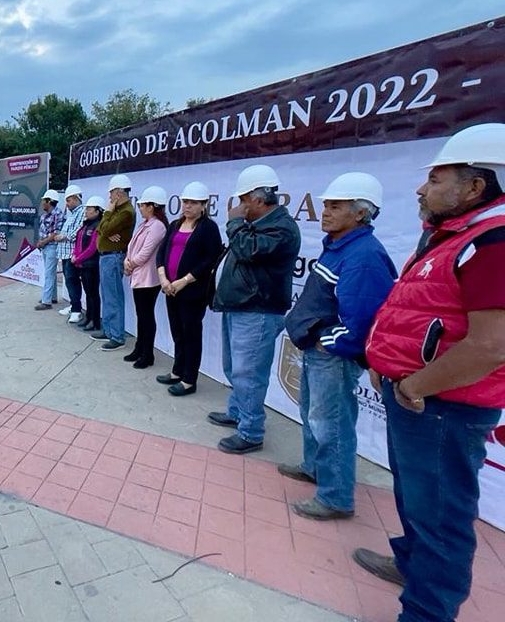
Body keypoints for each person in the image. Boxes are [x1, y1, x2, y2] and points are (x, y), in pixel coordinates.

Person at [352, 123, 505, 622]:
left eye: (436, 179)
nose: (422, 188)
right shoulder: (453, 235)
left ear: (476, 186)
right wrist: (386, 364)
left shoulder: (493, 243)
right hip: (419, 400)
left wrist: (415, 384)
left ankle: (425, 611)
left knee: (440, 516)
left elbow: (491, 347)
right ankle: (412, 566)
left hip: (443, 408)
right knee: (417, 501)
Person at [281, 173, 396, 520]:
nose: (325, 212)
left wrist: (324, 343)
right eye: (325, 204)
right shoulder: (342, 245)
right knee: (313, 415)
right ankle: (314, 467)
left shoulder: (364, 255)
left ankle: (335, 497)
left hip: (331, 356)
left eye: (335, 206)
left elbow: (360, 321)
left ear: (361, 213)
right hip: (320, 353)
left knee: (332, 423)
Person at [208, 164, 301, 454]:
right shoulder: (260, 225)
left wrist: (234, 223)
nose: (240, 206)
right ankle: (238, 412)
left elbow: (248, 250)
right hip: (241, 306)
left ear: (259, 200)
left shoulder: (282, 228)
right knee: (235, 368)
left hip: (258, 310)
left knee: (249, 373)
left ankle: (251, 431)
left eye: (244, 200)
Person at [156, 182, 224, 396]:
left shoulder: (208, 228)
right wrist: (163, 278)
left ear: (204, 205)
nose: (188, 206)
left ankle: (189, 380)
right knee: (177, 331)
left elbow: (210, 259)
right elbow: (162, 252)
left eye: (193, 203)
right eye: (186, 202)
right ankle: (177, 371)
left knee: (191, 333)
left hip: (192, 292)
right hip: (170, 289)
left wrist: (184, 280)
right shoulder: (175, 225)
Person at [122, 186, 168, 368]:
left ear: (151, 206)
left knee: (146, 316)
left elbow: (145, 253)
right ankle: (139, 348)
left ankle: (147, 353)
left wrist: (130, 263)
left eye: (142, 205)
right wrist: (128, 261)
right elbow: (132, 247)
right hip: (138, 275)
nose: (140, 208)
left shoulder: (158, 226)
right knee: (141, 315)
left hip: (149, 279)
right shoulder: (145, 224)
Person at [93, 174, 136, 351]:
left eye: (111, 194)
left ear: (118, 193)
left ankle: (117, 336)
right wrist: (106, 227)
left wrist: (108, 213)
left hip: (113, 257)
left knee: (114, 297)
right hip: (107, 256)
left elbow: (105, 228)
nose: (109, 198)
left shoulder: (126, 212)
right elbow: (100, 229)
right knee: (107, 295)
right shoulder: (119, 211)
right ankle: (109, 330)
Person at [73, 195, 105, 332]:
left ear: (97, 211)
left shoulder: (98, 225)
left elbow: (93, 248)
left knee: (93, 293)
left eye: (89, 209)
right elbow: (78, 242)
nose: (86, 211)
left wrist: (79, 258)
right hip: (83, 264)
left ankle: (95, 320)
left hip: (92, 265)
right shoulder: (86, 225)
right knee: (88, 293)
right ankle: (89, 317)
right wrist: (75, 255)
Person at [56, 184, 86, 323]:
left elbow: (79, 231)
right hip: (65, 254)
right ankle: (74, 305)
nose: (66, 204)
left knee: (73, 281)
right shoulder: (73, 214)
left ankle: (76, 310)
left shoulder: (82, 212)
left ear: (75, 198)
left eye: (68, 201)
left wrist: (64, 236)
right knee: (69, 281)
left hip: (72, 254)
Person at [34, 190, 64, 310]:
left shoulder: (57, 214)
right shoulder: (45, 215)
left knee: (49, 273)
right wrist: (41, 242)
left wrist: (43, 242)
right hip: (45, 246)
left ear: (49, 202)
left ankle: (46, 301)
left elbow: (55, 233)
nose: (42, 203)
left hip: (52, 246)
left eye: (44, 201)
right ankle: (52, 297)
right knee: (50, 272)